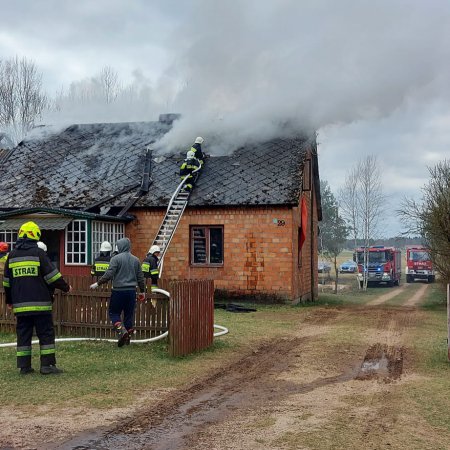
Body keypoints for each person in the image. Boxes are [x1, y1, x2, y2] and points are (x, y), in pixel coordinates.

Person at [3, 222, 71, 375]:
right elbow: (52, 276)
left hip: (20, 305)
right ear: (35, 235)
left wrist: (9, 301)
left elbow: (7, 282)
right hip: (41, 304)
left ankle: (24, 367)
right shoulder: (39, 254)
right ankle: (47, 366)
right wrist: (66, 287)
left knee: (23, 334)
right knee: (46, 333)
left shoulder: (11, 256)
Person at [90, 237, 145, 347]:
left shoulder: (115, 259)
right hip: (131, 292)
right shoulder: (136, 260)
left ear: (120, 246)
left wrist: (97, 283)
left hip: (118, 291)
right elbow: (140, 278)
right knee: (129, 315)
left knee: (113, 312)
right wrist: (142, 291)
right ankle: (127, 337)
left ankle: (121, 331)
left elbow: (109, 274)